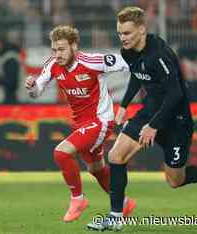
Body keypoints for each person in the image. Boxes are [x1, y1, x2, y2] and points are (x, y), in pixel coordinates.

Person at [87, 6, 197, 231]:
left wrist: (153, 126)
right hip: (149, 111)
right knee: (115, 156)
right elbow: (136, 74)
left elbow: (175, 94)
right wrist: (124, 106)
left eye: (127, 33)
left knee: (175, 180)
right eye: (119, 33)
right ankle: (115, 216)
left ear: (141, 30)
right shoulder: (128, 51)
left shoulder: (159, 54)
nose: (122, 38)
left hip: (176, 120)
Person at [25, 25, 136, 222]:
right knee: (96, 169)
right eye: (54, 50)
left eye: (61, 49)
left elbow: (127, 62)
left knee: (61, 152)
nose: (57, 54)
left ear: (74, 46)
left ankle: (78, 199)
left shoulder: (92, 61)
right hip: (81, 124)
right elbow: (36, 92)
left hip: (100, 121)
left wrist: (150, 71)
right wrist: (32, 87)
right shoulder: (53, 65)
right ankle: (124, 203)